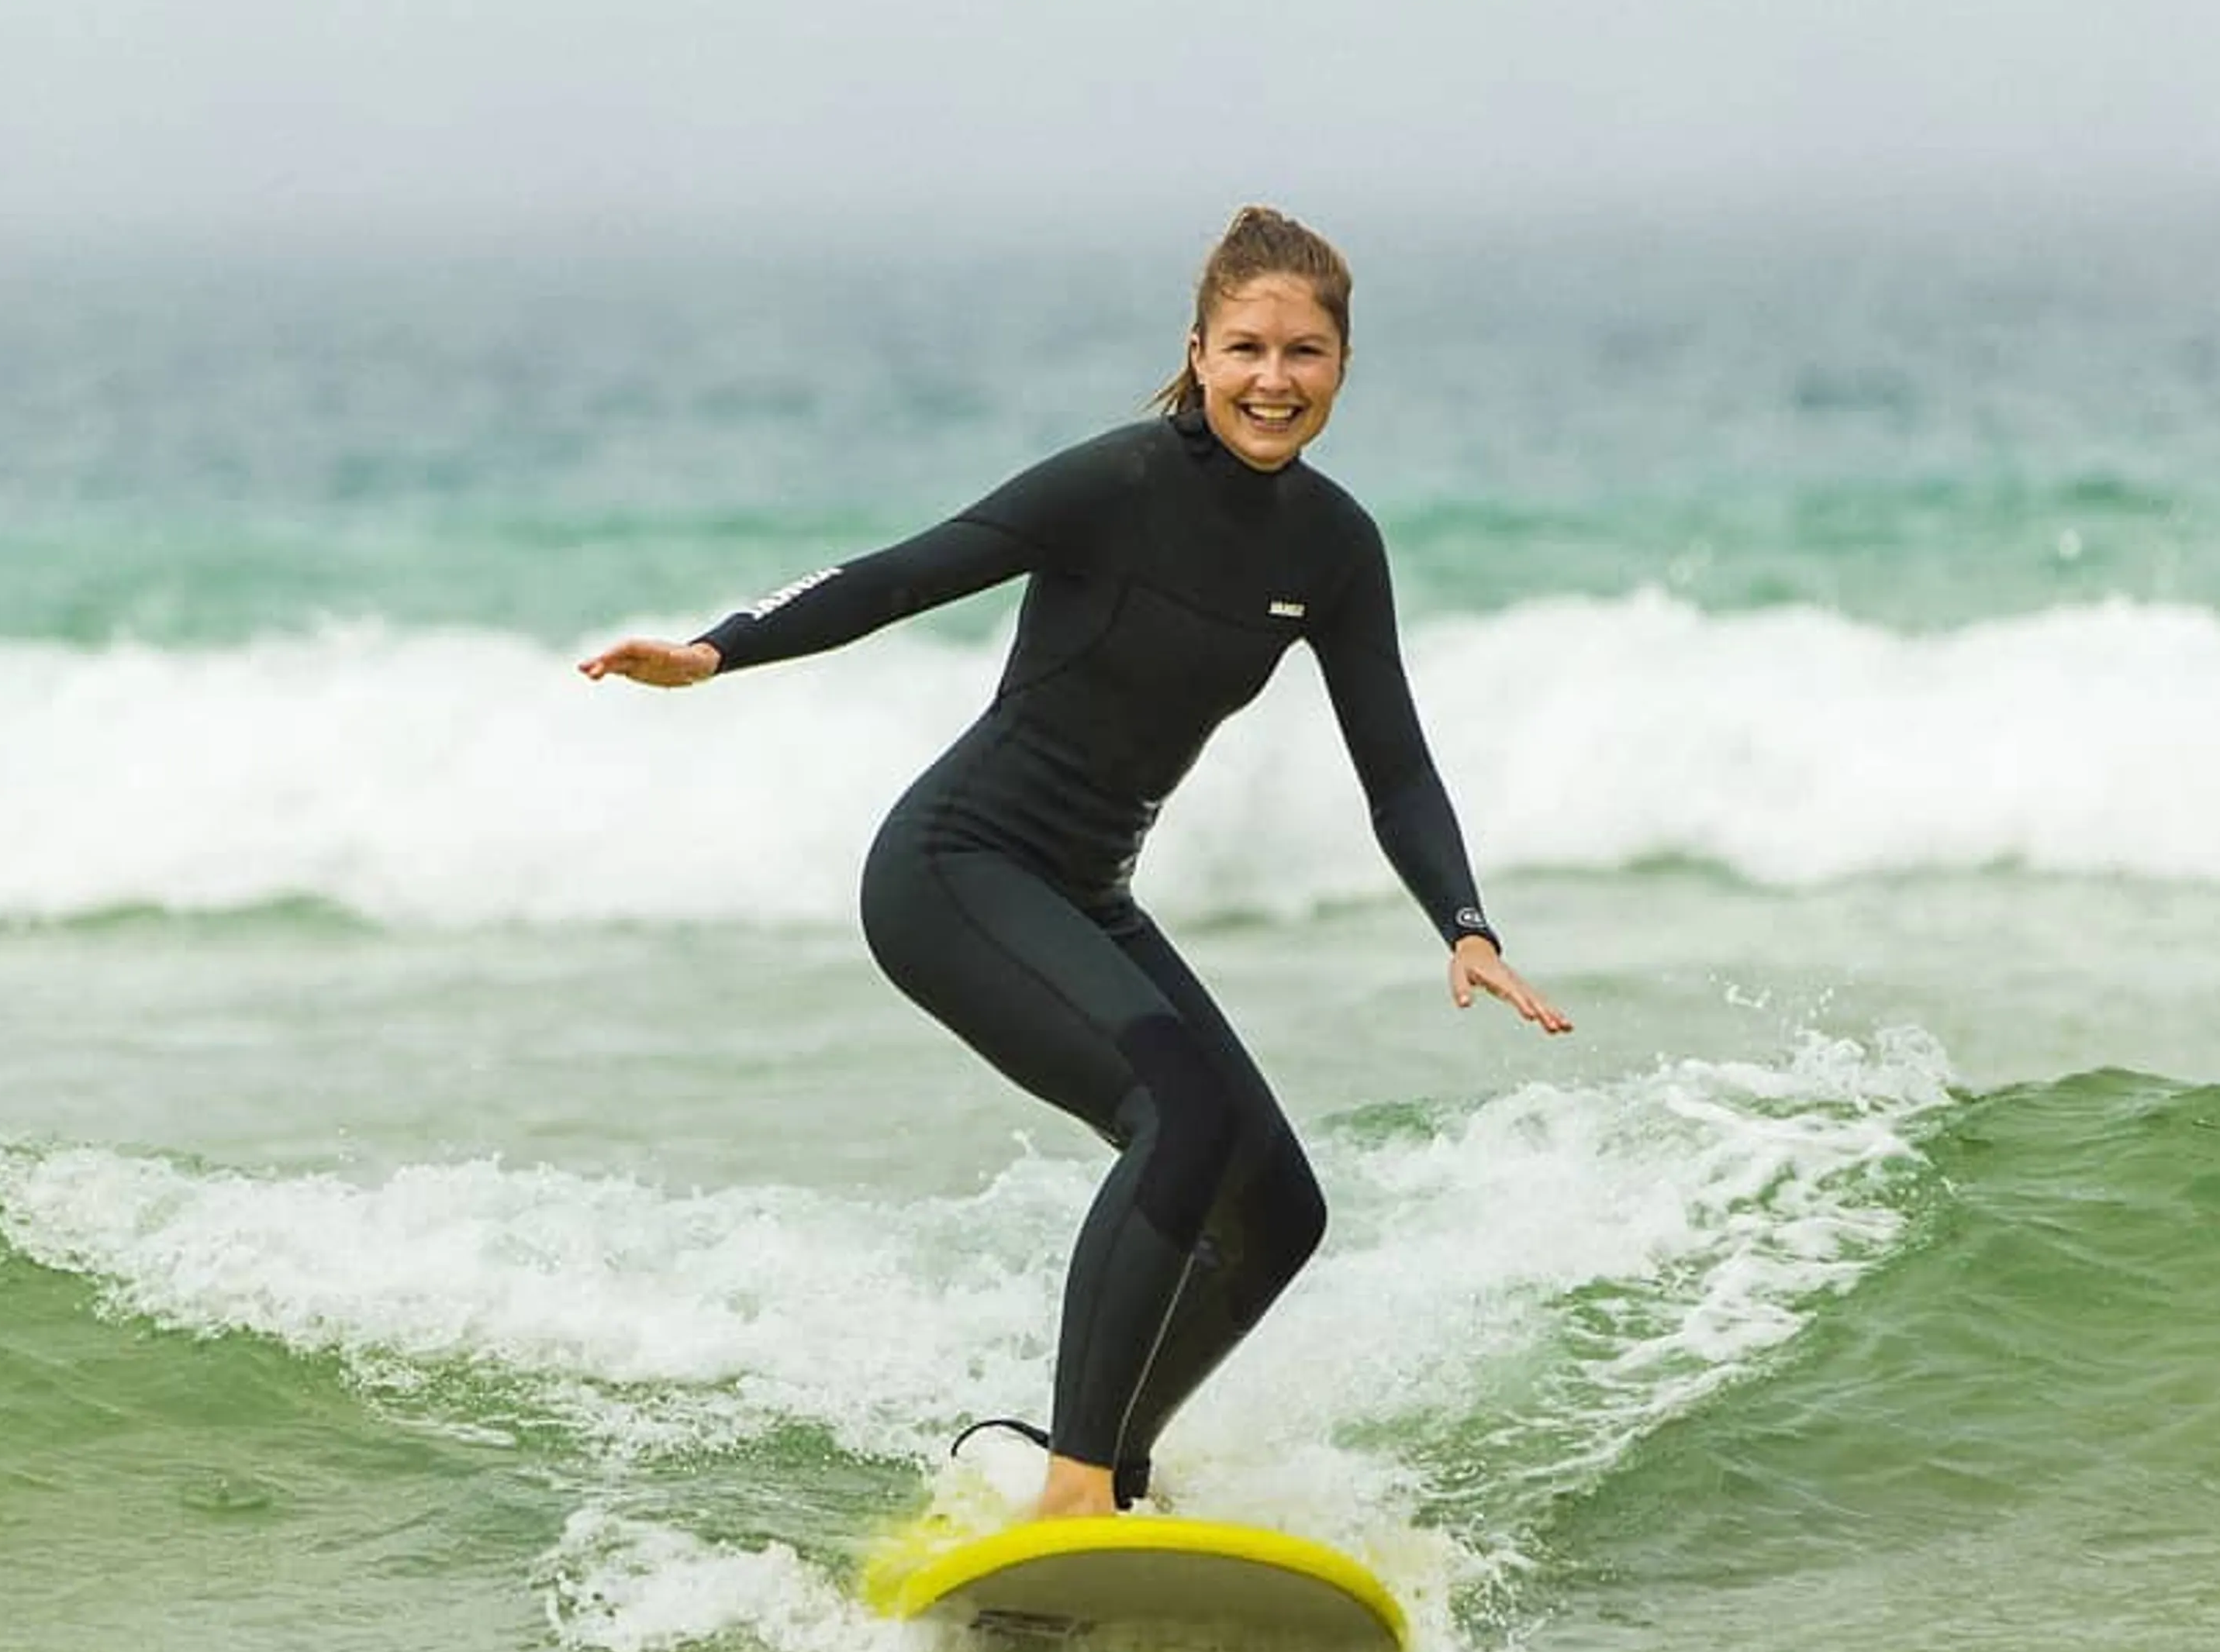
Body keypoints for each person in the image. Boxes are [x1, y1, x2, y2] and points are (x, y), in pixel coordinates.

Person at [581, 205, 1570, 1522]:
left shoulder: (1333, 547)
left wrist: (1464, 921)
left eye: (1306, 354)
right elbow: (906, 573)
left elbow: (1393, 759)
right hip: (955, 870)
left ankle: (1107, 1465)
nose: (1273, 381)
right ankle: (1074, 1490)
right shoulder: (1116, 484)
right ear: (1199, 351)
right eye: (1246, 349)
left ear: (1341, 366)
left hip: (1087, 893)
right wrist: (717, 651)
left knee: (1278, 1209)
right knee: (1184, 1120)